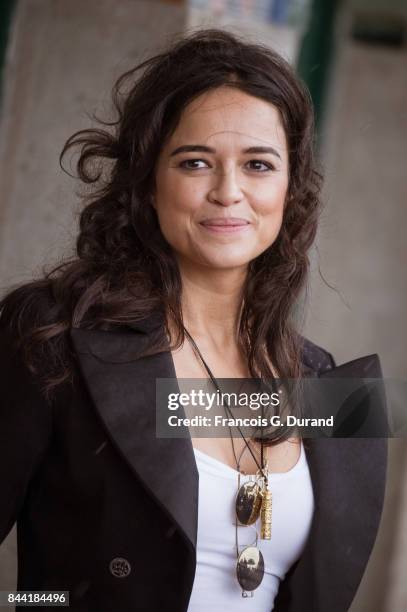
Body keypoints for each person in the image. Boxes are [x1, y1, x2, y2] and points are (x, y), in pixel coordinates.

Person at [0, 29, 387, 612]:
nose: (228, 192)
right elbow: (28, 593)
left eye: (259, 164)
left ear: (289, 189)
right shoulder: (55, 333)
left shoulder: (324, 379)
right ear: (150, 184)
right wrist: (47, 604)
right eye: (195, 162)